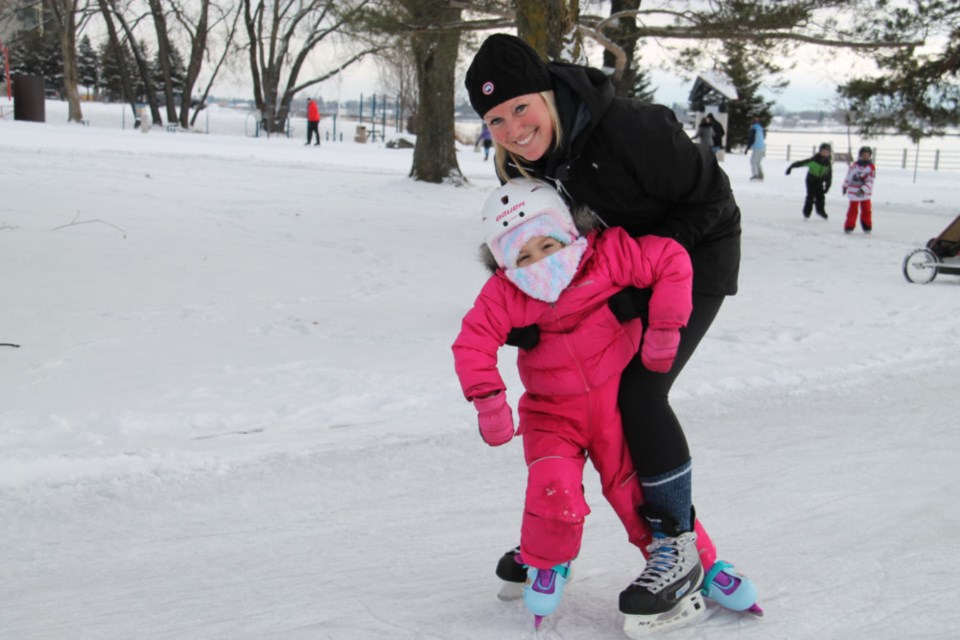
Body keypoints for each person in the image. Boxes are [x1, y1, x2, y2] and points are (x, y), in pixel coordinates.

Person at [464, 33, 756, 632]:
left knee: (636, 393)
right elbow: (558, 248)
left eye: (521, 107)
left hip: (695, 258)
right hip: (628, 272)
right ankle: (546, 538)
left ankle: (675, 546)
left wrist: (639, 290)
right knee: (578, 395)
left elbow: (714, 201)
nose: (514, 127)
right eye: (496, 119)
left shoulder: (629, 129)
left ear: (546, 93)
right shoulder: (526, 159)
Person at [452, 178, 697, 629]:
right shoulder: (507, 292)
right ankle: (546, 557)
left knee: (636, 501)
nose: (539, 263)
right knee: (552, 488)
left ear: (568, 231)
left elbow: (670, 259)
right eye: (521, 257)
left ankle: (698, 566)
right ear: (503, 264)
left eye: (546, 244)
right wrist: (489, 401)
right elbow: (472, 342)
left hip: (613, 411)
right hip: (551, 414)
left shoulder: (607, 255)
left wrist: (664, 326)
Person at [786, 142, 833, 220]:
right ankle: (807, 212)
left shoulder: (828, 163)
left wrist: (828, 185)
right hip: (811, 180)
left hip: (819, 181)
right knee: (810, 196)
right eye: (823, 151)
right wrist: (791, 167)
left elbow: (829, 175)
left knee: (821, 197)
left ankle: (820, 211)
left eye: (827, 152)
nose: (825, 153)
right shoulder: (814, 160)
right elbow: (801, 163)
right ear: (820, 151)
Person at [842, 146, 876, 234]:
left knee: (866, 210)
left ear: (869, 156)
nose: (865, 156)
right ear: (860, 155)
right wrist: (845, 186)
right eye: (863, 154)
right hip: (853, 192)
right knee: (852, 210)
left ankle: (867, 226)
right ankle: (849, 226)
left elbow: (870, 181)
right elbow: (848, 176)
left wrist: (863, 189)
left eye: (867, 155)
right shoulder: (854, 166)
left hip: (864, 193)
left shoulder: (871, 167)